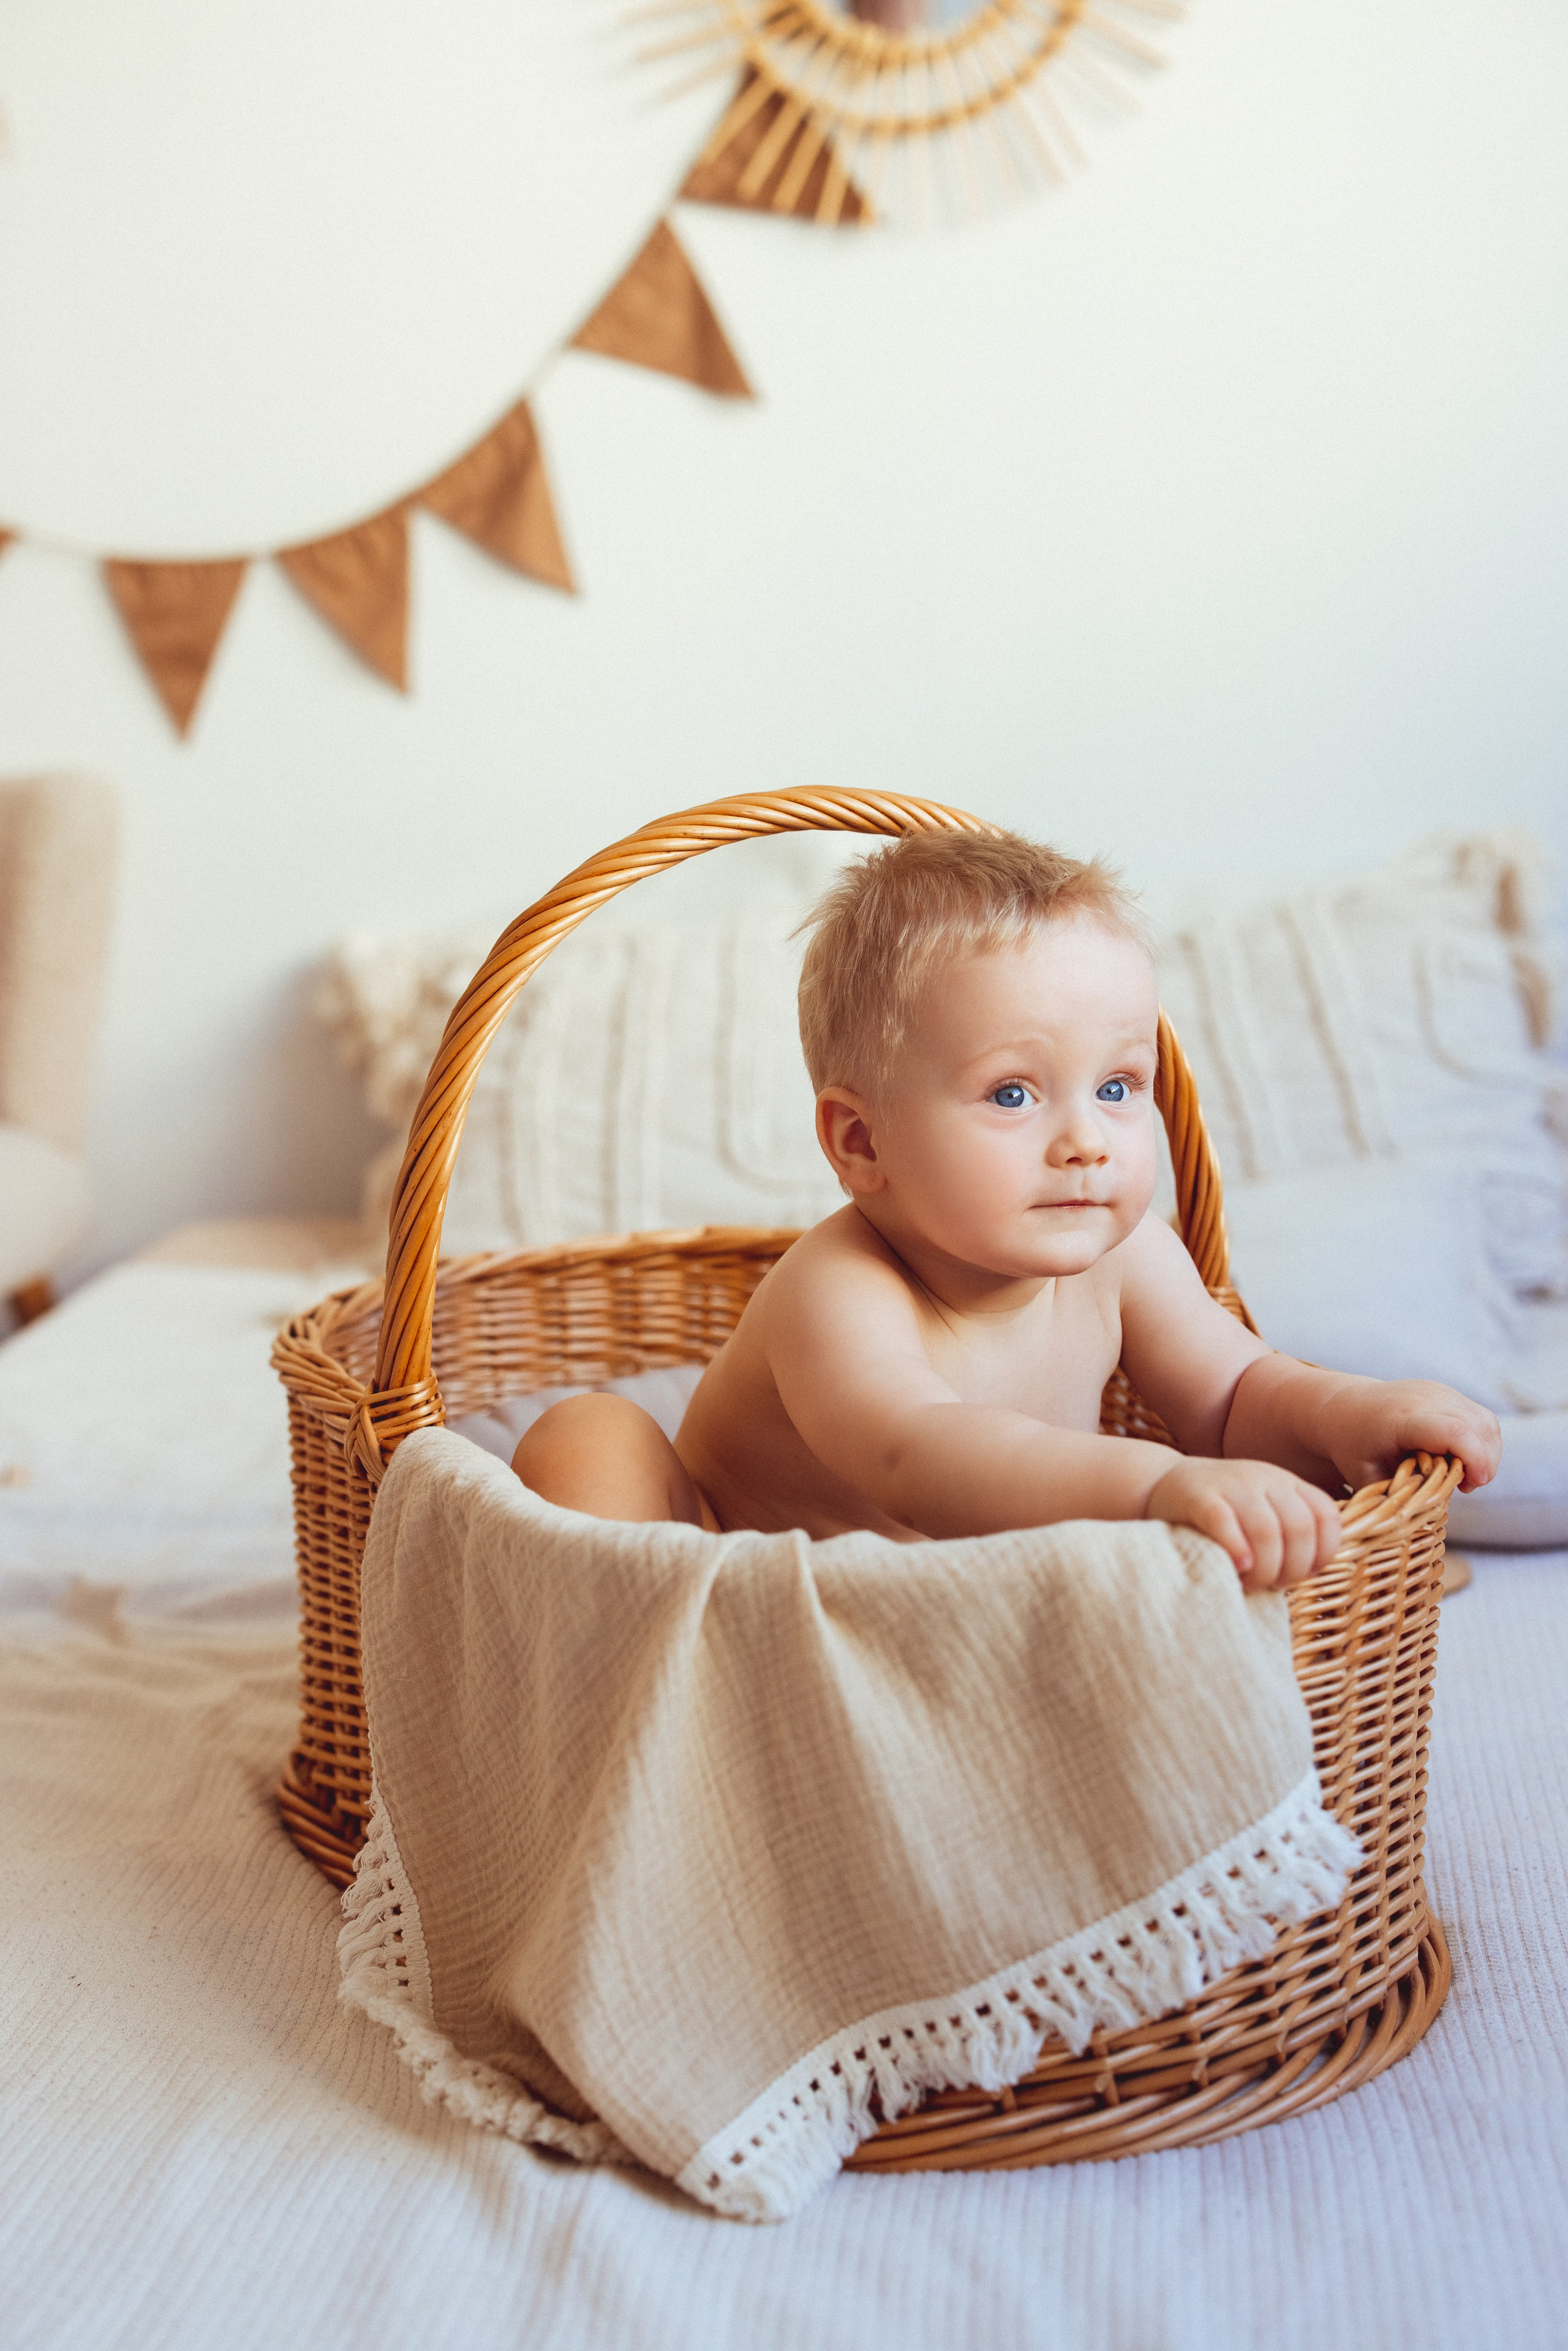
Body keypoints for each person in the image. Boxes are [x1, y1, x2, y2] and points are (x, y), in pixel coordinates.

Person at [513, 829, 1500, 1588]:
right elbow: (915, 1454)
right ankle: (625, 1690)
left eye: (1117, 1086)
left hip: (965, 1619)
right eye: (1014, 1093)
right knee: (589, 1437)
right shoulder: (840, 1288)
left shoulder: (1126, 1256)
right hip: (745, 1601)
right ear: (862, 1143)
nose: (1088, 1140)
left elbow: (1238, 1396)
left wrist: (1350, 1412)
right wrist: (1152, 1485)